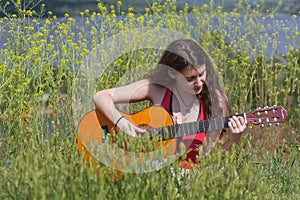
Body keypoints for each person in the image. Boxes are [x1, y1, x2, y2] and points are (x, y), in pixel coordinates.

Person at [93, 38, 247, 169]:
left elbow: (215, 159)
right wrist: (124, 125)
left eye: (201, 74)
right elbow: (101, 96)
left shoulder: (216, 101)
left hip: (191, 180)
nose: (199, 83)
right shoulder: (156, 90)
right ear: (172, 73)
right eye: (190, 79)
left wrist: (233, 139)